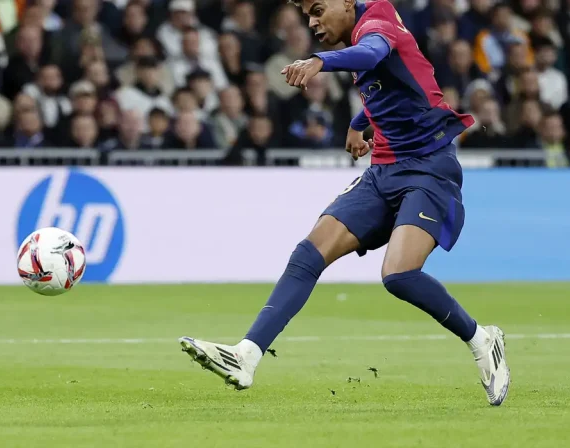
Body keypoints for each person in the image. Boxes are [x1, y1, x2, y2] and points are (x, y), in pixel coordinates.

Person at [179, 0, 511, 407]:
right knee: (307, 254)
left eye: (318, 10)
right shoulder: (354, 36)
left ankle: (482, 339)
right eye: (306, 15)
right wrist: (359, 124)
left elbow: (373, 53)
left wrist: (319, 61)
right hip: (383, 172)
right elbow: (393, 85)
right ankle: (245, 356)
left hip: (429, 169)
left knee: (399, 275)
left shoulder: (377, 18)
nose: (312, 22)